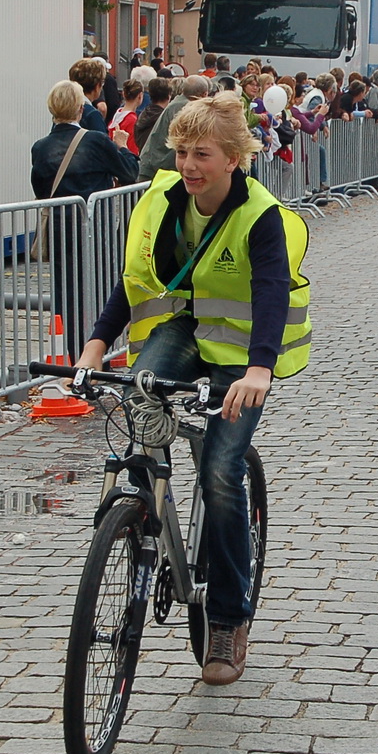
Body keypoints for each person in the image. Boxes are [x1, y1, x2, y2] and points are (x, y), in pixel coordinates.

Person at [72, 94, 311, 686]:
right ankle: (143, 510)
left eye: (201, 154)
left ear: (234, 158)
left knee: (220, 473)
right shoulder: (162, 202)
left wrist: (259, 370)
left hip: (242, 353)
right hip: (183, 330)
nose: (188, 165)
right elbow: (132, 283)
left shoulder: (261, 216)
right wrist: (94, 348)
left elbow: (272, 294)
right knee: (137, 391)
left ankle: (229, 617)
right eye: (181, 152)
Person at [31, 81, 138, 358]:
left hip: (58, 227)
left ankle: (73, 351)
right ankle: (96, 351)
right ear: (80, 109)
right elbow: (128, 172)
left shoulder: (40, 147)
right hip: (93, 227)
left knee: (65, 293)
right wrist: (123, 146)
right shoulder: (95, 140)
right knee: (99, 289)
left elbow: (41, 189)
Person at [138, 75, 212, 180]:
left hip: (154, 167)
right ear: (204, 94)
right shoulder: (185, 109)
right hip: (157, 172)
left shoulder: (177, 104)